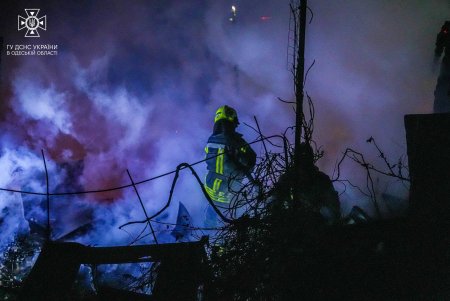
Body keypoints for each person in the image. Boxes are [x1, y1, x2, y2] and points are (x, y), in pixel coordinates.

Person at [203, 105, 256, 227]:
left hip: (210, 190)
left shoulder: (210, 140)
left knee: (211, 221)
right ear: (231, 122)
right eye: (234, 124)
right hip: (229, 195)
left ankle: (209, 232)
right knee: (232, 225)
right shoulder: (236, 142)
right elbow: (250, 161)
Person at [433, 21, 450, 113]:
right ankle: (438, 112)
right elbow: (440, 44)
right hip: (447, 63)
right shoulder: (447, 27)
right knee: (442, 89)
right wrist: (435, 62)